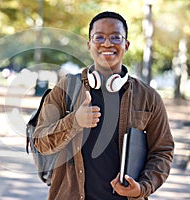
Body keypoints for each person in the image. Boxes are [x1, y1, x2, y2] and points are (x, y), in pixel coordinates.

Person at [33, 11, 174, 200]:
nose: (107, 43)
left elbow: (162, 151)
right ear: (89, 44)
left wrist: (142, 188)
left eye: (115, 37)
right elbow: (40, 143)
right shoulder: (66, 88)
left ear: (126, 44)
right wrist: (74, 121)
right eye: (99, 37)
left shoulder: (148, 97)